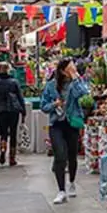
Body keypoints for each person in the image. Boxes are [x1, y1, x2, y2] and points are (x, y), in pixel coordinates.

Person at [40, 58, 90, 204]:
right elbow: (43, 106)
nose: (73, 70)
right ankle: (61, 190)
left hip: (72, 123)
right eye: (70, 68)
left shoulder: (76, 84)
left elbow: (85, 95)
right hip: (56, 124)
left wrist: (76, 79)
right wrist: (54, 104)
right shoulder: (51, 86)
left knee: (72, 155)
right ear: (63, 71)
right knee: (60, 155)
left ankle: (72, 182)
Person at [0, 63, 26, 167]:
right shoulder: (14, 82)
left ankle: (2, 149)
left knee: (3, 133)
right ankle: (12, 157)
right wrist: (23, 111)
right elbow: (20, 97)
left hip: (0, 111)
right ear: (8, 70)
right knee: (13, 133)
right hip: (13, 110)